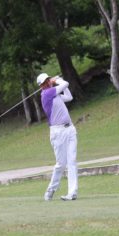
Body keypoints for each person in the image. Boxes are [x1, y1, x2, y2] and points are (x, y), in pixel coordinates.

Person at [36, 73, 78, 201]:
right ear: (42, 86)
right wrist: (58, 80)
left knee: (72, 161)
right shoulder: (47, 94)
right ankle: (51, 189)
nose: (48, 82)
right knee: (61, 164)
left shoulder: (55, 94)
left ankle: (72, 193)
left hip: (70, 129)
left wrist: (58, 83)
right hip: (57, 132)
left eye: (48, 79)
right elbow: (65, 84)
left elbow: (69, 97)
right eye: (46, 81)